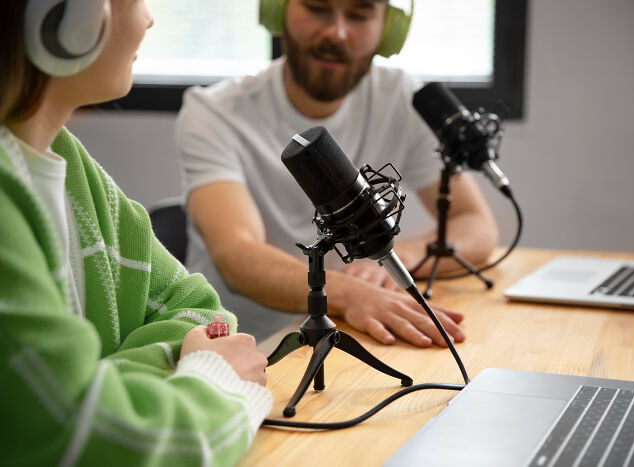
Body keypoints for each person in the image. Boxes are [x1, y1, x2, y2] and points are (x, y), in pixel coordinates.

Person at [0, 1, 270, 465]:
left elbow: (201, 308)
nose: (148, 19)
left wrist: (109, 384)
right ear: (67, 16)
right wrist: (214, 379)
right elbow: (79, 435)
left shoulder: (71, 166)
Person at [177, 0, 498, 346]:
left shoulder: (403, 99)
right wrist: (349, 293)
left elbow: (475, 224)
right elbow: (237, 255)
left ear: (388, 29)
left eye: (359, 14)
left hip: (358, 328)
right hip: (245, 343)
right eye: (316, 7)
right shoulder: (214, 112)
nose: (337, 33)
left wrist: (399, 259)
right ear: (277, 10)